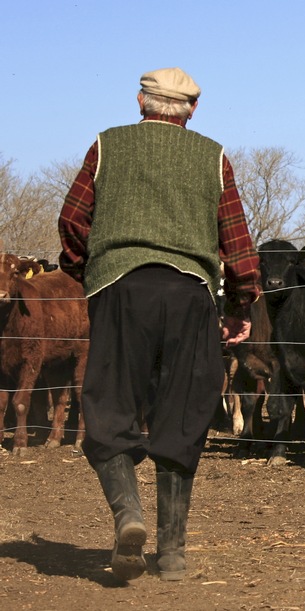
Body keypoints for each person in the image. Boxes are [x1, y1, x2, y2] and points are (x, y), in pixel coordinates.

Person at [57, 67, 261, 582]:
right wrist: (240, 303)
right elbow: (236, 239)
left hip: (121, 290)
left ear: (140, 101)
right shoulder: (212, 156)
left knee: (109, 404)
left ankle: (129, 516)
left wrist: (92, 271)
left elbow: (73, 220)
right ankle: (171, 552)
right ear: (192, 110)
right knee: (183, 413)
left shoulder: (107, 146)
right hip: (190, 293)